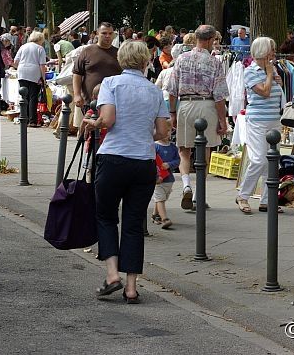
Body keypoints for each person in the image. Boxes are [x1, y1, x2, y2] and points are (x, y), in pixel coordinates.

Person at [84, 40, 170, 304]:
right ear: (146, 61)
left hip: (113, 158)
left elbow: (108, 120)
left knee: (106, 216)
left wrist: (93, 122)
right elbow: (164, 134)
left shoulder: (111, 84)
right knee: (134, 223)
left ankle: (112, 274)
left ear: (122, 61)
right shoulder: (154, 91)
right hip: (143, 160)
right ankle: (131, 287)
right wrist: (144, 132)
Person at [167, 25, 228, 211]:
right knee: (206, 150)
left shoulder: (181, 59)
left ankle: (186, 183)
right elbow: (219, 96)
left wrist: (172, 113)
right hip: (207, 106)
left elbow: (171, 90)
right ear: (210, 40)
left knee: (184, 150)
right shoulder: (214, 63)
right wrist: (223, 121)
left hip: (185, 105)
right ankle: (199, 195)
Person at [235, 37, 284, 215]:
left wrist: (273, 75)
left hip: (274, 119)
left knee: (272, 161)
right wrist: (270, 75)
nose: (274, 52)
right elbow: (264, 92)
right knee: (258, 159)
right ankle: (243, 194)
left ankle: (267, 200)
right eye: (272, 49)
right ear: (264, 51)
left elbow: (278, 90)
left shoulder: (272, 68)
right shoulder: (250, 71)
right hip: (257, 120)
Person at [72, 22, 121, 110]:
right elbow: (77, 74)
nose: (107, 36)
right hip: (90, 103)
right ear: (97, 34)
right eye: (104, 33)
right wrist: (77, 95)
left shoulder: (119, 53)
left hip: (113, 102)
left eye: (110, 33)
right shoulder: (87, 51)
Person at [13, 30, 48, 127]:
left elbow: (15, 61)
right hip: (34, 73)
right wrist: (43, 78)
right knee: (33, 97)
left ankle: (24, 117)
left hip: (22, 72)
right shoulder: (40, 49)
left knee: (24, 96)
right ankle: (32, 120)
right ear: (40, 39)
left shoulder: (23, 47)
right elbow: (42, 65)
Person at [152, 120, 179, 229]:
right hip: (159, 179)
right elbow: (152, 162)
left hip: (169, 179)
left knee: (162, 198)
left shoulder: (173, 147)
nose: (166, 133)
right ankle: (164, 219)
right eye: (163, 130)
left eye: (168, 131)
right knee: (160, 198)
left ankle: (155, 215)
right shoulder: (155, 146)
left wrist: (169, 164)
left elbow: (177, 160)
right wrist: (156, 175)